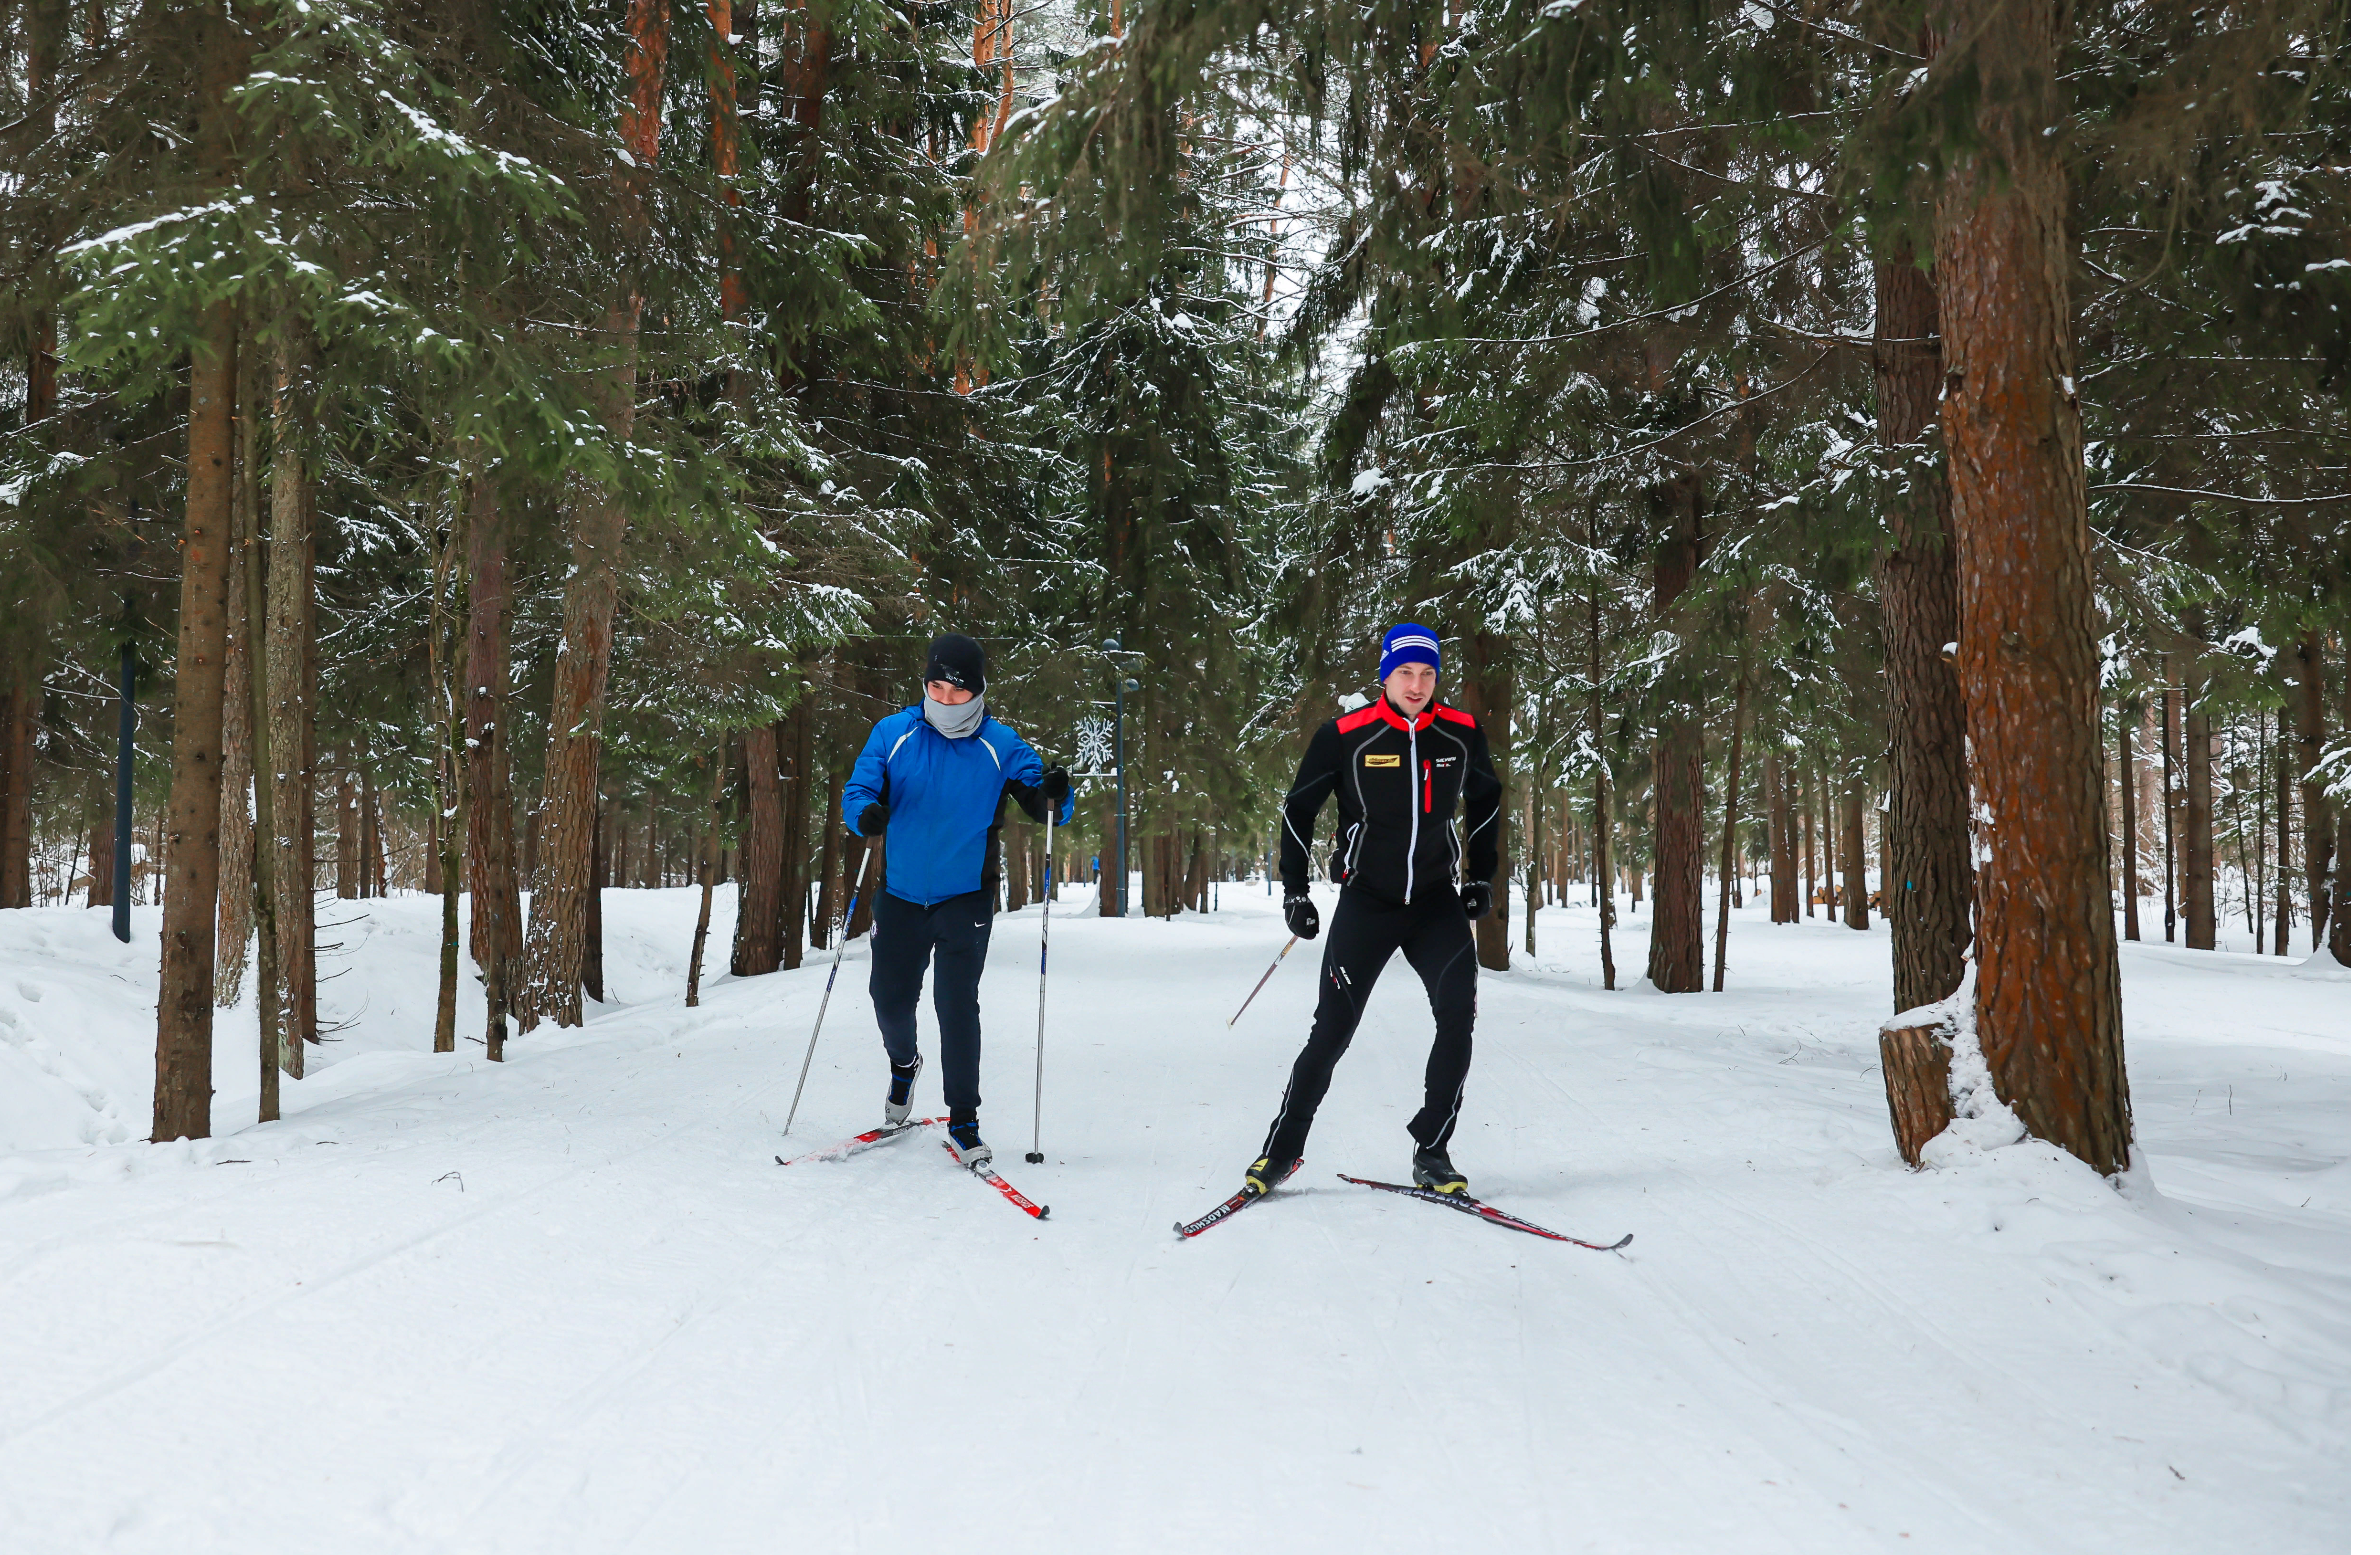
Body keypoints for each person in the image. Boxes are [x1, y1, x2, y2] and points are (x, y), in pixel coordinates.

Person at [1244, 623, 1503, 1196]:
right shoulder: (1345, 736)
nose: (1416, 684)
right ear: (1385, 675)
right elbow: (1297, 810)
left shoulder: (1460, 734)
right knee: (1332, 1030)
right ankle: (1281, 1151)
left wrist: (1481, 877)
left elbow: (1486, 801)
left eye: (1427, 673)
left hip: (1436, 902)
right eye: (1405, 673)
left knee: (1457, 1016)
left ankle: (1432, 1150)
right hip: (1368, 902)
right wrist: (1295, 891)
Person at [842, 633, 1073, 1167]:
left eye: (957, 692)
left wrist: (1057, 794)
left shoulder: (1000, 744)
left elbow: (1046, 802)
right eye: (936, 687)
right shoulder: (893, 733)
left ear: (979, 693)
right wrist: (865, 815)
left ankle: (963, 1120)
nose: (945, 700)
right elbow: (858, 791)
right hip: (899, 896)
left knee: (955, 1007)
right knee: (890, 1002)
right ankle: (904, 1067)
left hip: (964, 899)